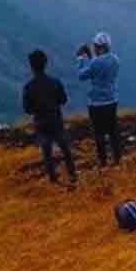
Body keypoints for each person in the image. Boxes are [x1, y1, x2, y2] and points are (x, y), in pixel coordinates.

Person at [22, 49, 77, 184]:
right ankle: (72, 174)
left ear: (31, 66)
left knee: (47, 152)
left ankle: (53, 179)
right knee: (65, 148)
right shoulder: (55, 82)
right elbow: (63, 100)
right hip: (55, 119)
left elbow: (27, 109)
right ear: (45, 63)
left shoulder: (28, 87)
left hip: (40, 122)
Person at [77, 31, 124, 167]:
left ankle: (103, 162)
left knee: (99, 134)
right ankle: (117, 160)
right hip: (111, 100)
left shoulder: (96, 62)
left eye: (96, 46)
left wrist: (80, 58)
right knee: (113, 131)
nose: (94, 48)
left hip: (96, 103)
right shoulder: (116, 60)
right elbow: (98, 67)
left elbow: (82, 75)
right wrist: (91, 57)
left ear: (101, 47)